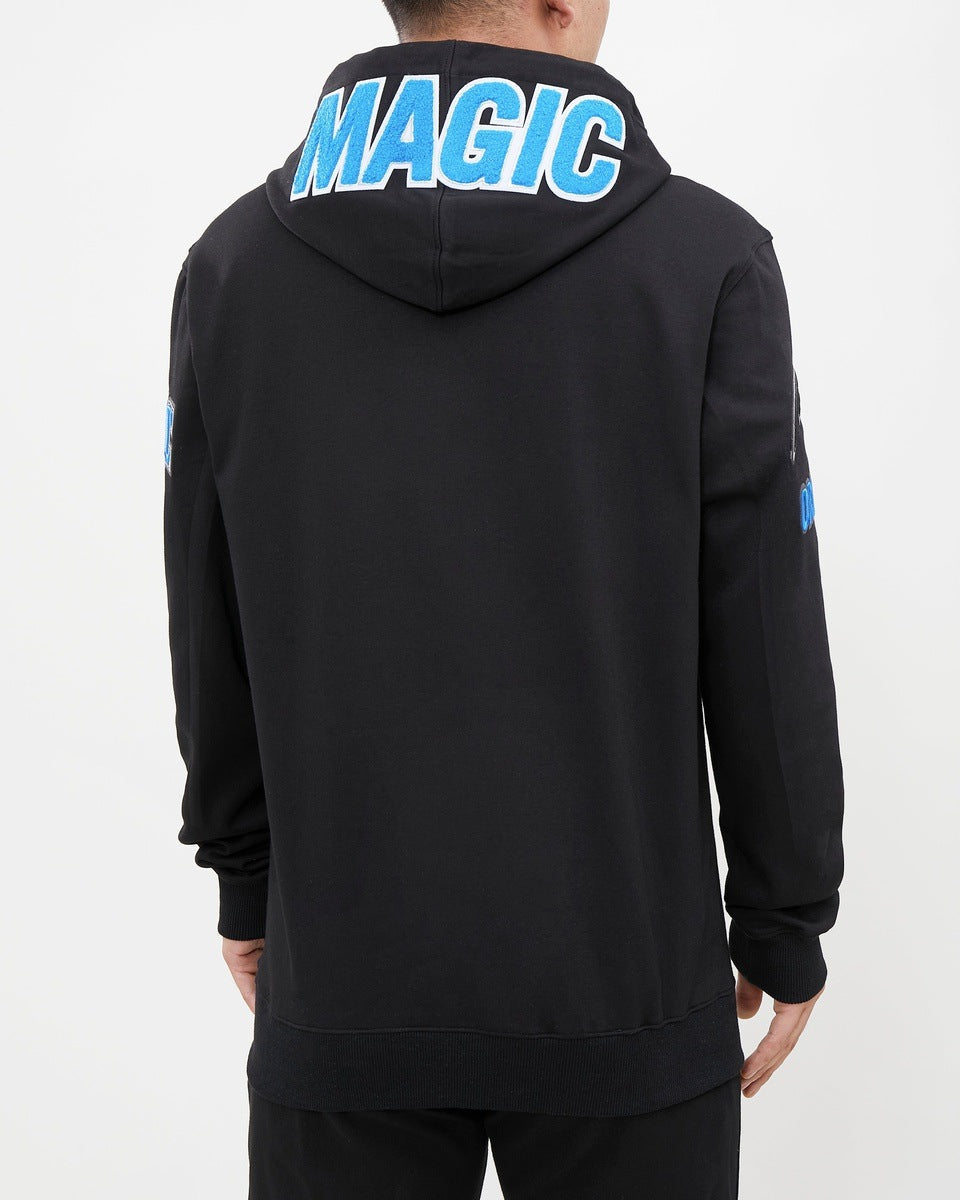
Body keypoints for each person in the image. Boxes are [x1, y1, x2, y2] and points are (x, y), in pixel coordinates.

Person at [163, 1, 845, 1195]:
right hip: (627, 992)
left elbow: (203, 592)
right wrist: (785, 911)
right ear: (559, 2)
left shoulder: (233, 266)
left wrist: (246, 870)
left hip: (346, 987)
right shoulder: (704, 257)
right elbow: (762, 617)